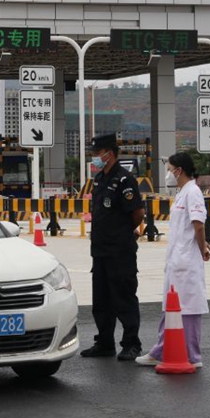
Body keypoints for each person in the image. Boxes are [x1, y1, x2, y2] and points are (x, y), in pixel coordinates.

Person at [136, 152, 210, 368]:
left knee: (189, 308)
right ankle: (161, 350)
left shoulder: (193, 192)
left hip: (187, 260)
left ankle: (192, 356)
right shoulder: (182, 193)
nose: (168, 174)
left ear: (179, 170)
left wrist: (203, 248)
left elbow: (198, 225)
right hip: (177, 259)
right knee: (171, 306)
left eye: (169, 169)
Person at [80, 133, 145, 361]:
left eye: (97, 153)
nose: (95, 157)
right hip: (100, 251)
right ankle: (104, 343)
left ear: (109, 153)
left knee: (124, 298)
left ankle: (131, 343)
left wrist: (124, 232)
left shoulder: (124, 179)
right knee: (101, 300)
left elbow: (137, 213)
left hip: (120, 251)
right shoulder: (99, 179)